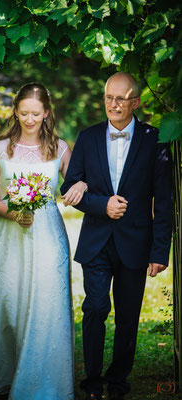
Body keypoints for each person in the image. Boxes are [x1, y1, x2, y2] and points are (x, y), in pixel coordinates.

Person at [0, 82, 87, 399]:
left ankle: (43, 380)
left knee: (47, 302)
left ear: (46, 113)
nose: (29, 119)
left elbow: (79, 181)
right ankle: (2, 375)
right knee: (6, 300)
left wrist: (82, 184)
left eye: (35, 113)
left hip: (47, 235)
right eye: (23, 113)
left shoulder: (60, 149)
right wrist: (12, 213)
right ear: (16, 111)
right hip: (7, 236)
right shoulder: (0, 148)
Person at [61, 72, 173, 400]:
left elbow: (163, 200)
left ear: (135, 102)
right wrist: (101, 204)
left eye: (121, 98)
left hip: (136, 243)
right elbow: (70, 188)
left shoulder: (156, 141)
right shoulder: (88, 137)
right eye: (109, 97)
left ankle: (118, 381)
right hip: (96, 241)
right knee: (95, 308)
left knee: (128, 316)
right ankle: (92, 381)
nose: (114, 104)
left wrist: (159, 251)